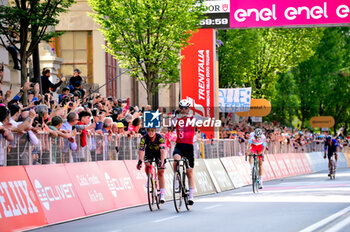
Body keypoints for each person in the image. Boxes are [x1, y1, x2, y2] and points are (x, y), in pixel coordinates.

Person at [171, 99, 205, 205]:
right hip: (179, 145)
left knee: (190, 172)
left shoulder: (193, 118)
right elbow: (169, 127)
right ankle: (177, 178)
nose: (183, 110)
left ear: (188, 109)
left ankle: (191, 196)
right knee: (176, 160)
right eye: (181, 108)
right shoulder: (176, 119)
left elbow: (205, 120)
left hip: (189, 147)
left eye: (185, 108)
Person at [137, 127, 166, 203]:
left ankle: (162, 195)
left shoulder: (160, 137)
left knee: (161, 172)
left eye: (152, 131)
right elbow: (141, 149)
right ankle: (149, 177)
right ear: (147, 131)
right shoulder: (144, 138)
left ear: (155, 131)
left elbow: (163, 151)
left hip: (158, 153)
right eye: (149, 131)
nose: (151, 133)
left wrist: (162, 162)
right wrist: (140, 161)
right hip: (149, 153)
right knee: (147, 164)